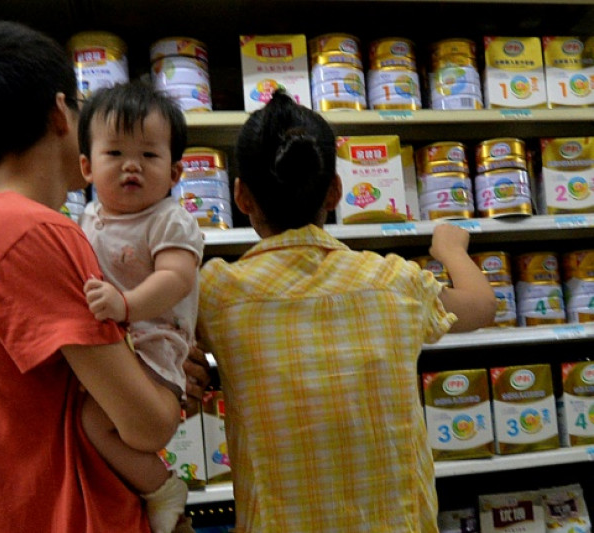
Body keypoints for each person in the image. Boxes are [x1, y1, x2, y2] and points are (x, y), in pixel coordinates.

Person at [0, 20, 208, 532]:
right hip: (76, 516)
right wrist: (165, 393)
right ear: (60, 112)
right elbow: (147, 424)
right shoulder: (35, 233)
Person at [196, 90, 496, 533]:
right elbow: (481, 305)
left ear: (241, 197)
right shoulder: (394, 281)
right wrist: (450, 248)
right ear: (335, 191)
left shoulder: (216, 292)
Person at [77, 82, 202, 533]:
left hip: (153, 354)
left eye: (149, 156)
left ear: (173, 173)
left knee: (95, 424)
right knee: (88, 425)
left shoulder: (168, 218)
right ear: (87, 167)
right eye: (115, 154)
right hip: (114, 349)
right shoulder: (87, 218)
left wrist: (125, 304)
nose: (132, 165)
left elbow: (176, 278)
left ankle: (163, 487)